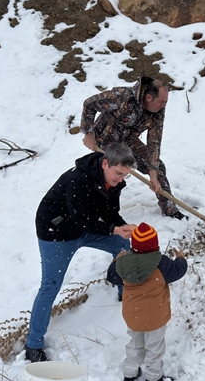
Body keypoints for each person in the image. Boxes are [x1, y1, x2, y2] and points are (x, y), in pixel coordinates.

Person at [24, 143, 137, 363]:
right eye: (118, 173)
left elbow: (110, 212)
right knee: (50, 286)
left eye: (125, 175)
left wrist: (123, 227)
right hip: (56, 232)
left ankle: (125, 291)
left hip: (84, 228)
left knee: (122, 244)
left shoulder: (114, 182)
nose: (121, 179)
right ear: (105, 164)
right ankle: (33, 344)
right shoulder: (78, 180)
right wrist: (114, 229)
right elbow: (82, 220)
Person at [79, 76, 185, 220]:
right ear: (149, 97)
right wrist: (88, 133)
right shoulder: (121, 96)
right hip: (105, 141)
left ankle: (169, 209)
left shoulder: (158, 111)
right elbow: (89, 104)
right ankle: (95, 213)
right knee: (109, 174)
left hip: (128, 141)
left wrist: (153, 174)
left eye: (165, 102)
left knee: (158, 167)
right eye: (161, 101)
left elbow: (154, 142)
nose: (163, 106)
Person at [107, 222, 187, 381]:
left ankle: (130, 374)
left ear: (134, 245)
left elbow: (112, 276)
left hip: (133, 317)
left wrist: (117, 261)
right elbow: (178, 271)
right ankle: (153, 378)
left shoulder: (124, 265)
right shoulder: (161, 263)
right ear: (155, 245)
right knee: (154, 348)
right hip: (155, 318)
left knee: (135, 345)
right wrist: (181, 258)